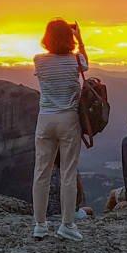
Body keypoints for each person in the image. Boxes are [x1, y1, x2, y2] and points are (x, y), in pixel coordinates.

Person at [31, 19, 88, 240]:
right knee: (68, 173)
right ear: (69, 37)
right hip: (68, 118)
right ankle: (67, 225)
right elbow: (86, 65)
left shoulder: (39, 61)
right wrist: (80, 39)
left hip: (45, 119)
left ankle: (40, 225)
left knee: (41, 172)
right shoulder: (75, 60)